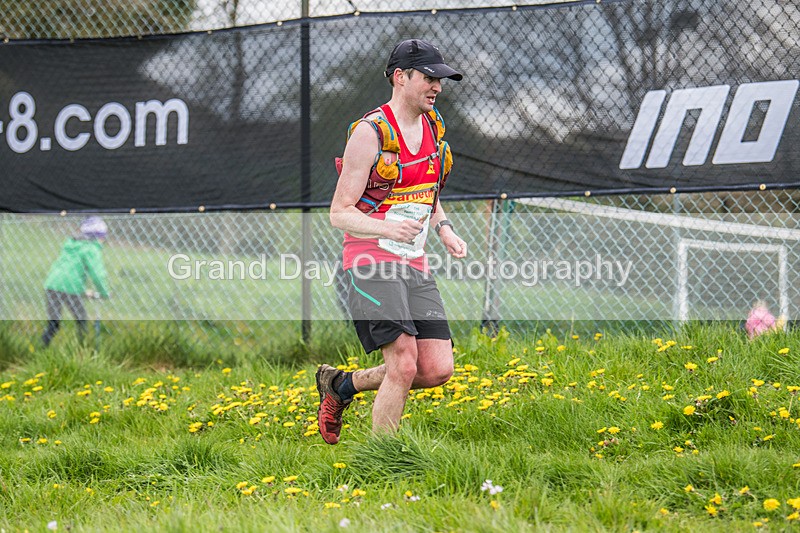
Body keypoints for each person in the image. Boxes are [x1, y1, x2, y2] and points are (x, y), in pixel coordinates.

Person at [317, 39, 468, 444]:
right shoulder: (370, 133)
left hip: (413, 261)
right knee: (403, 364)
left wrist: (444, 227)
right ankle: (385, 460)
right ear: (401, 78)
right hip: (368, 260)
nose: (437, 86)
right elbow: (339, 212)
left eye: (441, 79)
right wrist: (386, 229)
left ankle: (341, 386)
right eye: (429, 77)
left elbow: (427, 193)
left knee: (435, 368)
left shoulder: (434, 127)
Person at [41, 216, 110, 347]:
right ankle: (82, 349)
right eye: (103, 236)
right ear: (98, 236)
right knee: (82, 320)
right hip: (70, 289)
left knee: (53, 324)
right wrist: (104, 292)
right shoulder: (91, 249)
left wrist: (83, 291)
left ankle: (41, 349)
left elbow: (67, 271)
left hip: (52, 285)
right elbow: (97, 274)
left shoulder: (71, 244)